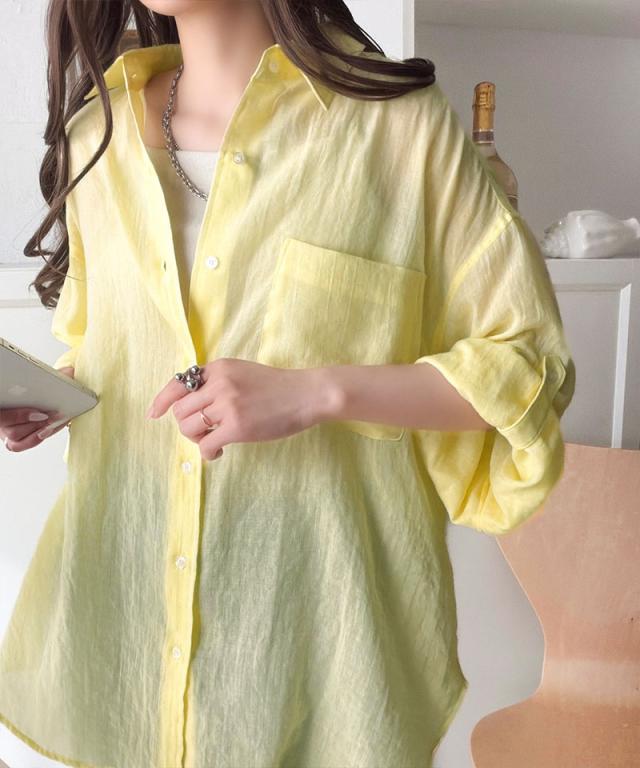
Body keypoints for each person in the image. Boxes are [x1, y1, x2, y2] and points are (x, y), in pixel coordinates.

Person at [0, 1, 576, 767]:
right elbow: (104, 342)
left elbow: (529, 368)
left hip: (320, 638)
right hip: (122, 620)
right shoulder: (95, 135)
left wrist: (315, 393)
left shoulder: (396, 125)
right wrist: (49, 394)